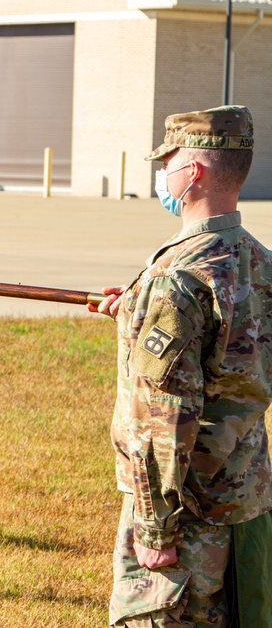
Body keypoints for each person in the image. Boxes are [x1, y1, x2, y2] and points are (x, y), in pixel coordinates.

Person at [89, 106, 272, 627]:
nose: (161, 173)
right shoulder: (258, 260)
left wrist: (153, 529)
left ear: (192, 172)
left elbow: (163, 415)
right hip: (246, 506)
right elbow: (237, 361)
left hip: (186, 516)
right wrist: (136, 316)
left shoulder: (177, 277)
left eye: (167, 160)